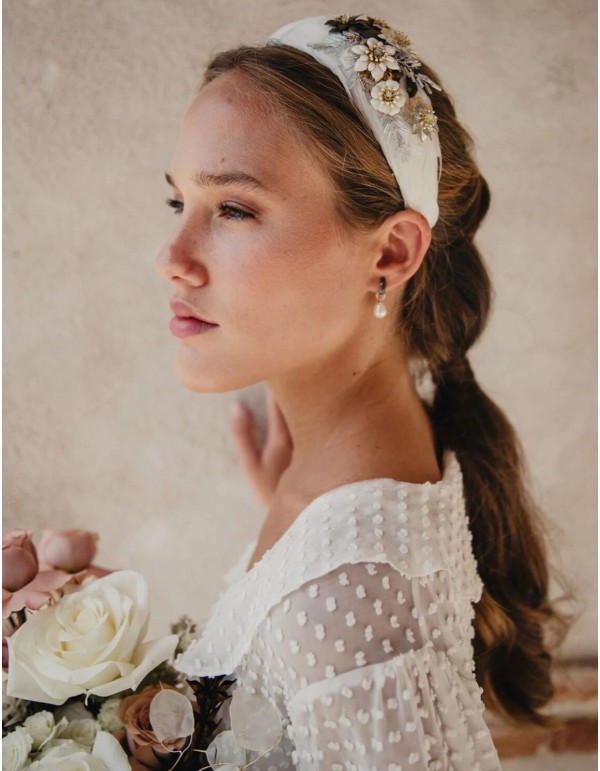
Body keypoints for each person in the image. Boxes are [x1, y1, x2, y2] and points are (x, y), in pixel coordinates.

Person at [155, 13, 573, 769]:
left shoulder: (348, 610)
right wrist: (287, 527)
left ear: (390, 251)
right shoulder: (339, 516)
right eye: (177, 202)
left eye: (235, 208)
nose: (172, 258)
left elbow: (343, 622)